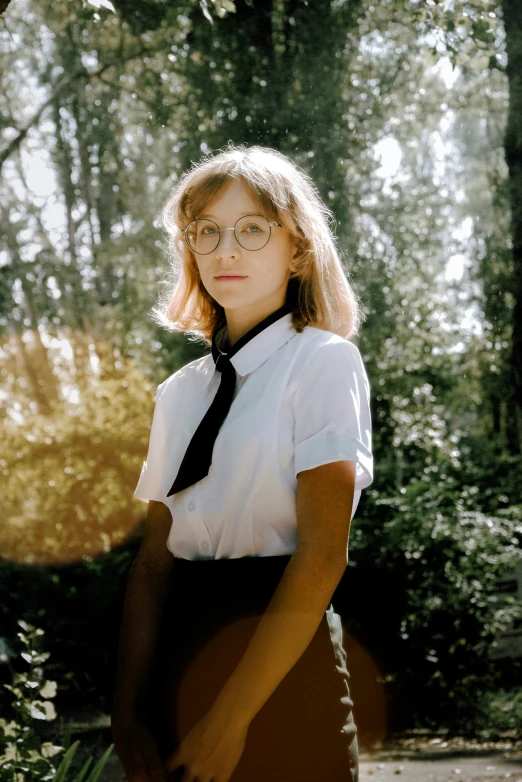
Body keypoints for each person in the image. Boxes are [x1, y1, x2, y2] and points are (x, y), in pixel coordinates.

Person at [111, 144, 373, 782]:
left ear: (298, 248)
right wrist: (126, 714)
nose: (226, 250)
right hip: (179, 672)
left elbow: (322, 556)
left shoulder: (323, 363)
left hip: (287, 676)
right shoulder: (177, 394)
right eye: (207, 231)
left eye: (253, 228)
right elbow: (152, 565)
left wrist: (228, 722)